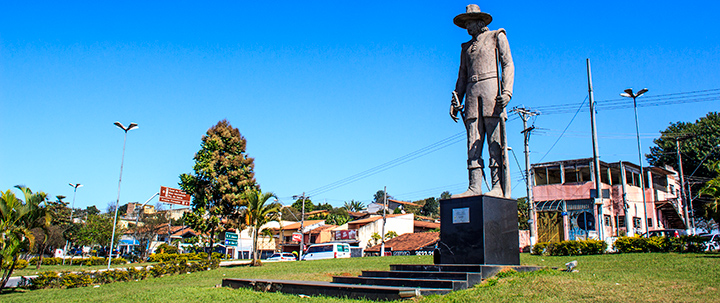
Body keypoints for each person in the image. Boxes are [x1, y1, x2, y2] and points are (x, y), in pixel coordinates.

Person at [450, 4, 514, 198]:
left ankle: (497, 186)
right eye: (466, 24)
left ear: (479, 22)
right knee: (473, 143)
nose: (468, 27)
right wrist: (455, 99)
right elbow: (462, 76)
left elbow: (508, 63)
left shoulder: (496, 36)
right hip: (471, 94)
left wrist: (507, 91)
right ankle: (474, 186)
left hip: (492, 92)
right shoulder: (466, 48)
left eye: (470, 23)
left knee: (495, 142)